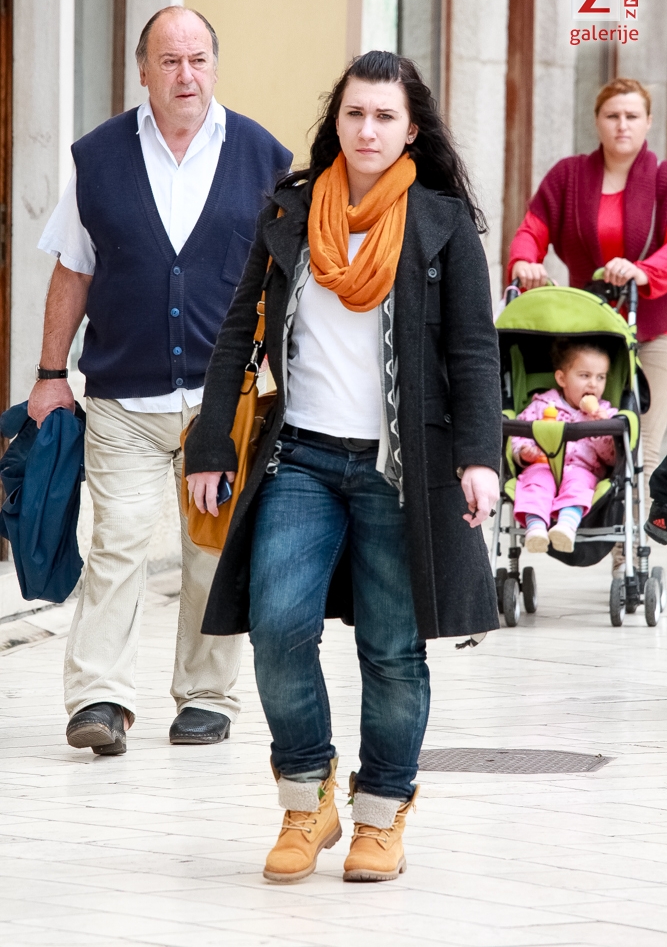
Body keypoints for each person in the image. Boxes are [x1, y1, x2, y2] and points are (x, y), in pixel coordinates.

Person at [185, 51, 501, 884]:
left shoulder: (440, 224)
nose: (367, 129)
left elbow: (473, 350)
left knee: (391, 648)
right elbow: (237, 332)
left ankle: (380, 816)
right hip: (301, 458)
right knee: (277, 627)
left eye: (385, 116)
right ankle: (306, 798)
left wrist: (479, 457)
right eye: (355, 113)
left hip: (400, 470)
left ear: (411, 129)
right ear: (337, 119)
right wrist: (212, 444)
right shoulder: (290, 211)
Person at [29, 6, 292, 755]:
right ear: (142, 70)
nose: (186, 75)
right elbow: (73, 269)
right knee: (117, 545)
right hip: (123, 399)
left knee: (211, 549)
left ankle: (206, 697)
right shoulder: (98, 157)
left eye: (198, 59)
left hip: (222, 403)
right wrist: (50, 374)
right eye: (169, 61)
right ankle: (100, 698)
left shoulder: (263, 157)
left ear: (216, 66)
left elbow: (287, 280)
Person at [508, 78, 667, 535]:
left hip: (651, 327)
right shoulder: (569, 176)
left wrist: (643, 270)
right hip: (590, 331)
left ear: (648, 122)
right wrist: (524, 261)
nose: (622, 125)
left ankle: (625, 556)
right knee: (572, 433)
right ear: (597, 121)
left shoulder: (661, 179)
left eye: (632, 116)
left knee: (638, 446)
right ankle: (560, 519)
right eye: (612, 115)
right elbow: (532, 228)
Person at [512, 339, 617, 554]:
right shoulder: (542, 405)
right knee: (534, 484)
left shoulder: (607, 414)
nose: (593, 384)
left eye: (600, 377)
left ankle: (566, 526)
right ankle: (535, 528)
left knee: (579, 486)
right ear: (562, 378)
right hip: (543, 465)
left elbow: (611, 458)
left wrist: (601, 428)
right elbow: (520, 433)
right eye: (584, 376)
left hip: (583, 469)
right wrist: (524, 453)